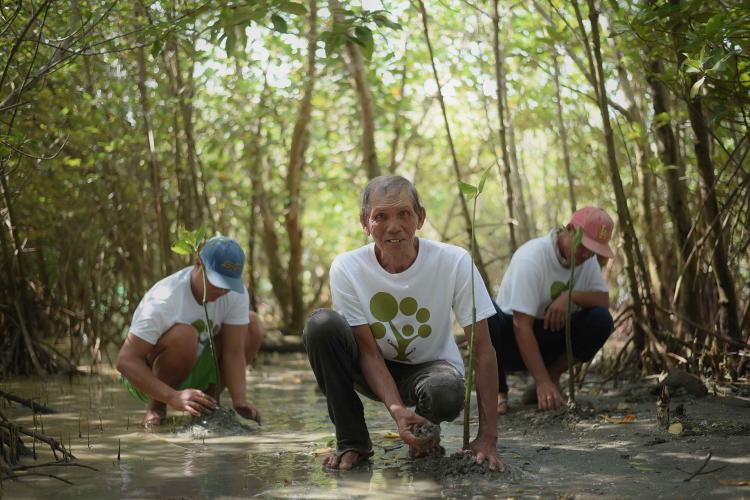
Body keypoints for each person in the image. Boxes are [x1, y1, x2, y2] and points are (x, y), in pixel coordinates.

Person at [303, 175, 505, 471]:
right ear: (364, 222)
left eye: (404, 214)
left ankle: (424, 437)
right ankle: (352, 442)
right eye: (380, 217)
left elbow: (484, 349)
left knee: (446, 392)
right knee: (321, 325)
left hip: (432, 368)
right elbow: (368, 352)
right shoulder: (347, 267)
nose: (393, 226)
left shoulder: (454, 261)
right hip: (371, 366)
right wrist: (397, 410)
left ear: (420, 217)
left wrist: (488, 437)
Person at [117, 236, 264, 427]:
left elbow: (234, 352)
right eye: (217, 283)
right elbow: (125, 361)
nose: (222, 291)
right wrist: (172, 397)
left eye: (228, 285)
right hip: (147, 376)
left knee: (253, 325)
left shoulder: (236, 294)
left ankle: (206, 405)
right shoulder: (164, 298)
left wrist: (240, 399)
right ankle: (157, 407)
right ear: (197, 265)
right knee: (185, 336)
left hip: (197, 363)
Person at [489, 206, 615, 414]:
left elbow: (603, 302)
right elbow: (522, 325)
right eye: (583, 246)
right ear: (568, 230)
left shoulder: (587, 260)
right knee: (487, 314)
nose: (587, 254)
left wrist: (571, 296)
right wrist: (541, 381)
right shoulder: (531, 258)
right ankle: (498, 391)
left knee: (601, 320)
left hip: (551, 337)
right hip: (511, 342)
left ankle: (552, 377)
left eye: (594, 249)